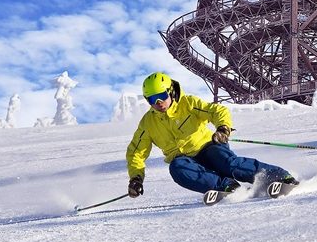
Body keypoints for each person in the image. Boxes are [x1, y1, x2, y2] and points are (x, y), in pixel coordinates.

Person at [125, 72, 298, 198]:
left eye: (162, 96)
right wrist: (136, 177)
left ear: (170, 91)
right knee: (178, 169)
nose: (159, 103)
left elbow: (216, 111)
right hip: (185, 160)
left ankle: (279, 176)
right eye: (152, 99)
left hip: (209, 146)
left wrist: (223, 128)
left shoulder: (188, 103)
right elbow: (136, 152)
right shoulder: (148, 123)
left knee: (228, 164)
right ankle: (228, 187)